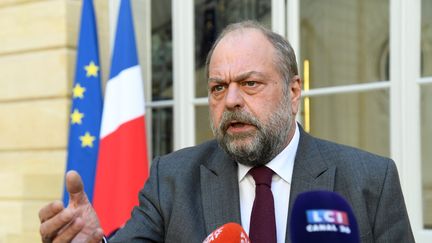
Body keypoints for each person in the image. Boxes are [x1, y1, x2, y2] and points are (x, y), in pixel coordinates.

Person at [39, 21, 415, 243]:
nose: (231, 100)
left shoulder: (370, 181)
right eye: (218, 87)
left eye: (250, 83)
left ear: (294, 91)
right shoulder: (171, 180)